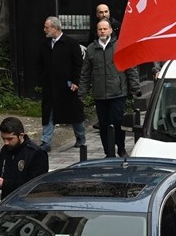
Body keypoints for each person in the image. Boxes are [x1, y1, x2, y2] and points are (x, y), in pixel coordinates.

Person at [79, 18, 140, 158]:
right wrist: (82, 92)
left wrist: (135, 87)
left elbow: (130, 68)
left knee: (117, 121)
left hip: (118, 91)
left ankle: (121, 147)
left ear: (111, 30)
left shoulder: (119, 46)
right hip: (100, 93)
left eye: (105, 29)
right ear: (97, 31)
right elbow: (85, 72)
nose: (102, 31)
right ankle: (108, 151)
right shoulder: (91, 49)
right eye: (100, 29)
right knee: (104, 123)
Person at [38, 15, 86, 153]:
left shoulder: (71, 43)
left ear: (55, 28)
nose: (44, 30)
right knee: (49, 114)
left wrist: (76, 82)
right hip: (49, 86)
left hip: (67, 86)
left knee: (74, 114)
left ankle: (81, 137)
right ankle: (45, 141)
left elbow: (78, 65)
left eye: (47, 27)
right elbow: (39, 64)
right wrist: (42, 79)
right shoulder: (45, 44)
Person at [0, 116, 49, 199]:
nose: (6, 142)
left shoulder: (35, 153)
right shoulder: (5, 150)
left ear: (21, 135)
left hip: (28, 206)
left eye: (10, 139)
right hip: (8, 203)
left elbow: (35, 184)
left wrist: (5, 184)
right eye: (3, 139)